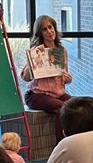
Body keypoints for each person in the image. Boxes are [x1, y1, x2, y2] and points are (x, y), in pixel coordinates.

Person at [20, 15, 72, 144]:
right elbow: (25, 77)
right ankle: (61, 145)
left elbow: (64, 77)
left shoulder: (61, 51)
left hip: (58, 94)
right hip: (37, 94)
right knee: (63, 108)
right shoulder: (36, 51)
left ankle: (76, 141)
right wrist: (33, 60)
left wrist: (68, 79)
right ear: (40, 33)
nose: (49, 31)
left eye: (50, 27)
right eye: (45, 29)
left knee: (79, 105)